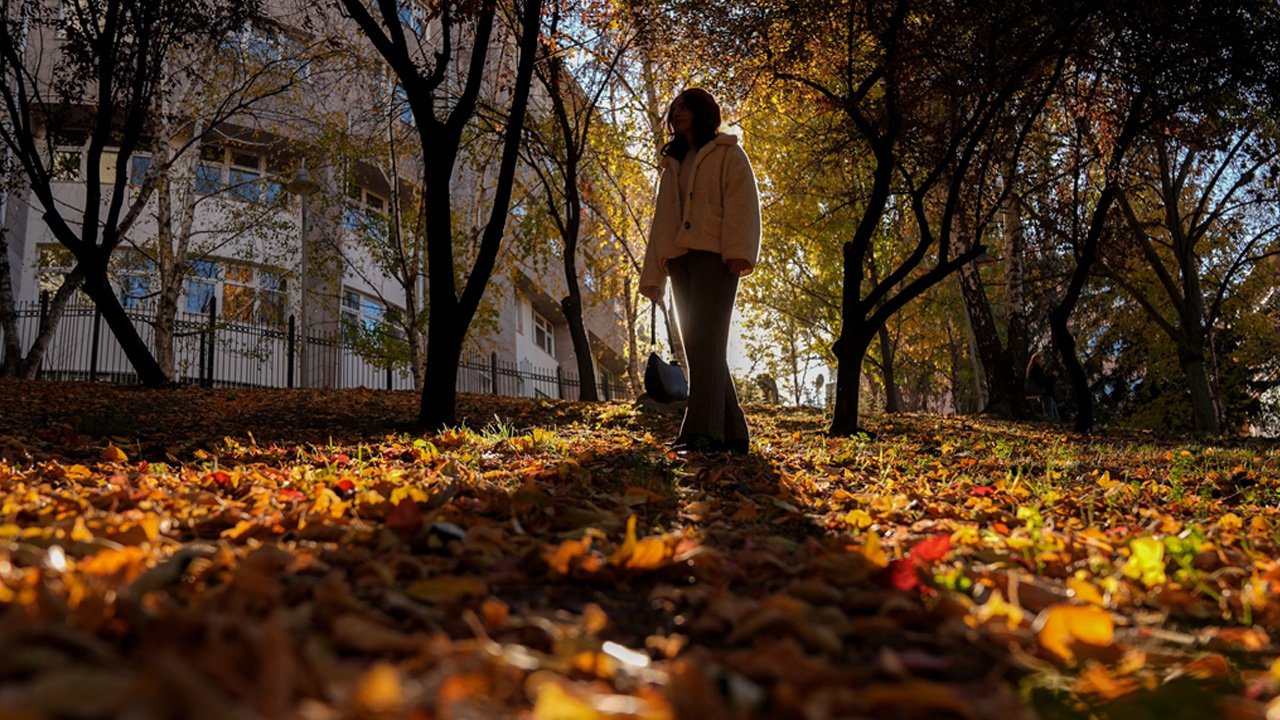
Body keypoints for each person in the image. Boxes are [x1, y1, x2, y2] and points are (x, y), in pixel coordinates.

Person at [638, 88, 761, 454]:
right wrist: (653, 277)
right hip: (679, 260)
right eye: (673, 109)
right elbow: (662, 222)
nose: (676, 114)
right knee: (698, 345)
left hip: (716, 257)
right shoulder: (673, 162)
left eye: (683, 108)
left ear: (701, 111)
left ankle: (702, 432)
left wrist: (739, 252)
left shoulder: (727, 153)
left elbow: (743, 202)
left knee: (706, 343)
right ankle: (734, 433)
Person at [1025, 352, 1060, 421]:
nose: (1043, 362)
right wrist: (1053, 376)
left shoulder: (1037, 370)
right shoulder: (1036, 370)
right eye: (1042, 360)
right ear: (1037, 360)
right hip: (1046, 394)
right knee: (1051, 417)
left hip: (1048, 395)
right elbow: (1044, 382)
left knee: (1055, 417)